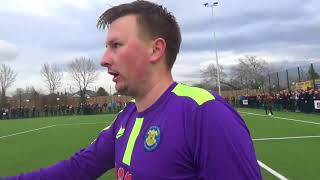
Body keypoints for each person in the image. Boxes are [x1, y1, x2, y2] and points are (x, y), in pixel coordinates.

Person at [3, 1, 262, 179]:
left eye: (116, 45)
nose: (104, 59)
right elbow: (76, 170)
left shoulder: (203, 112)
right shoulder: (125, 119)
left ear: (155, 49)